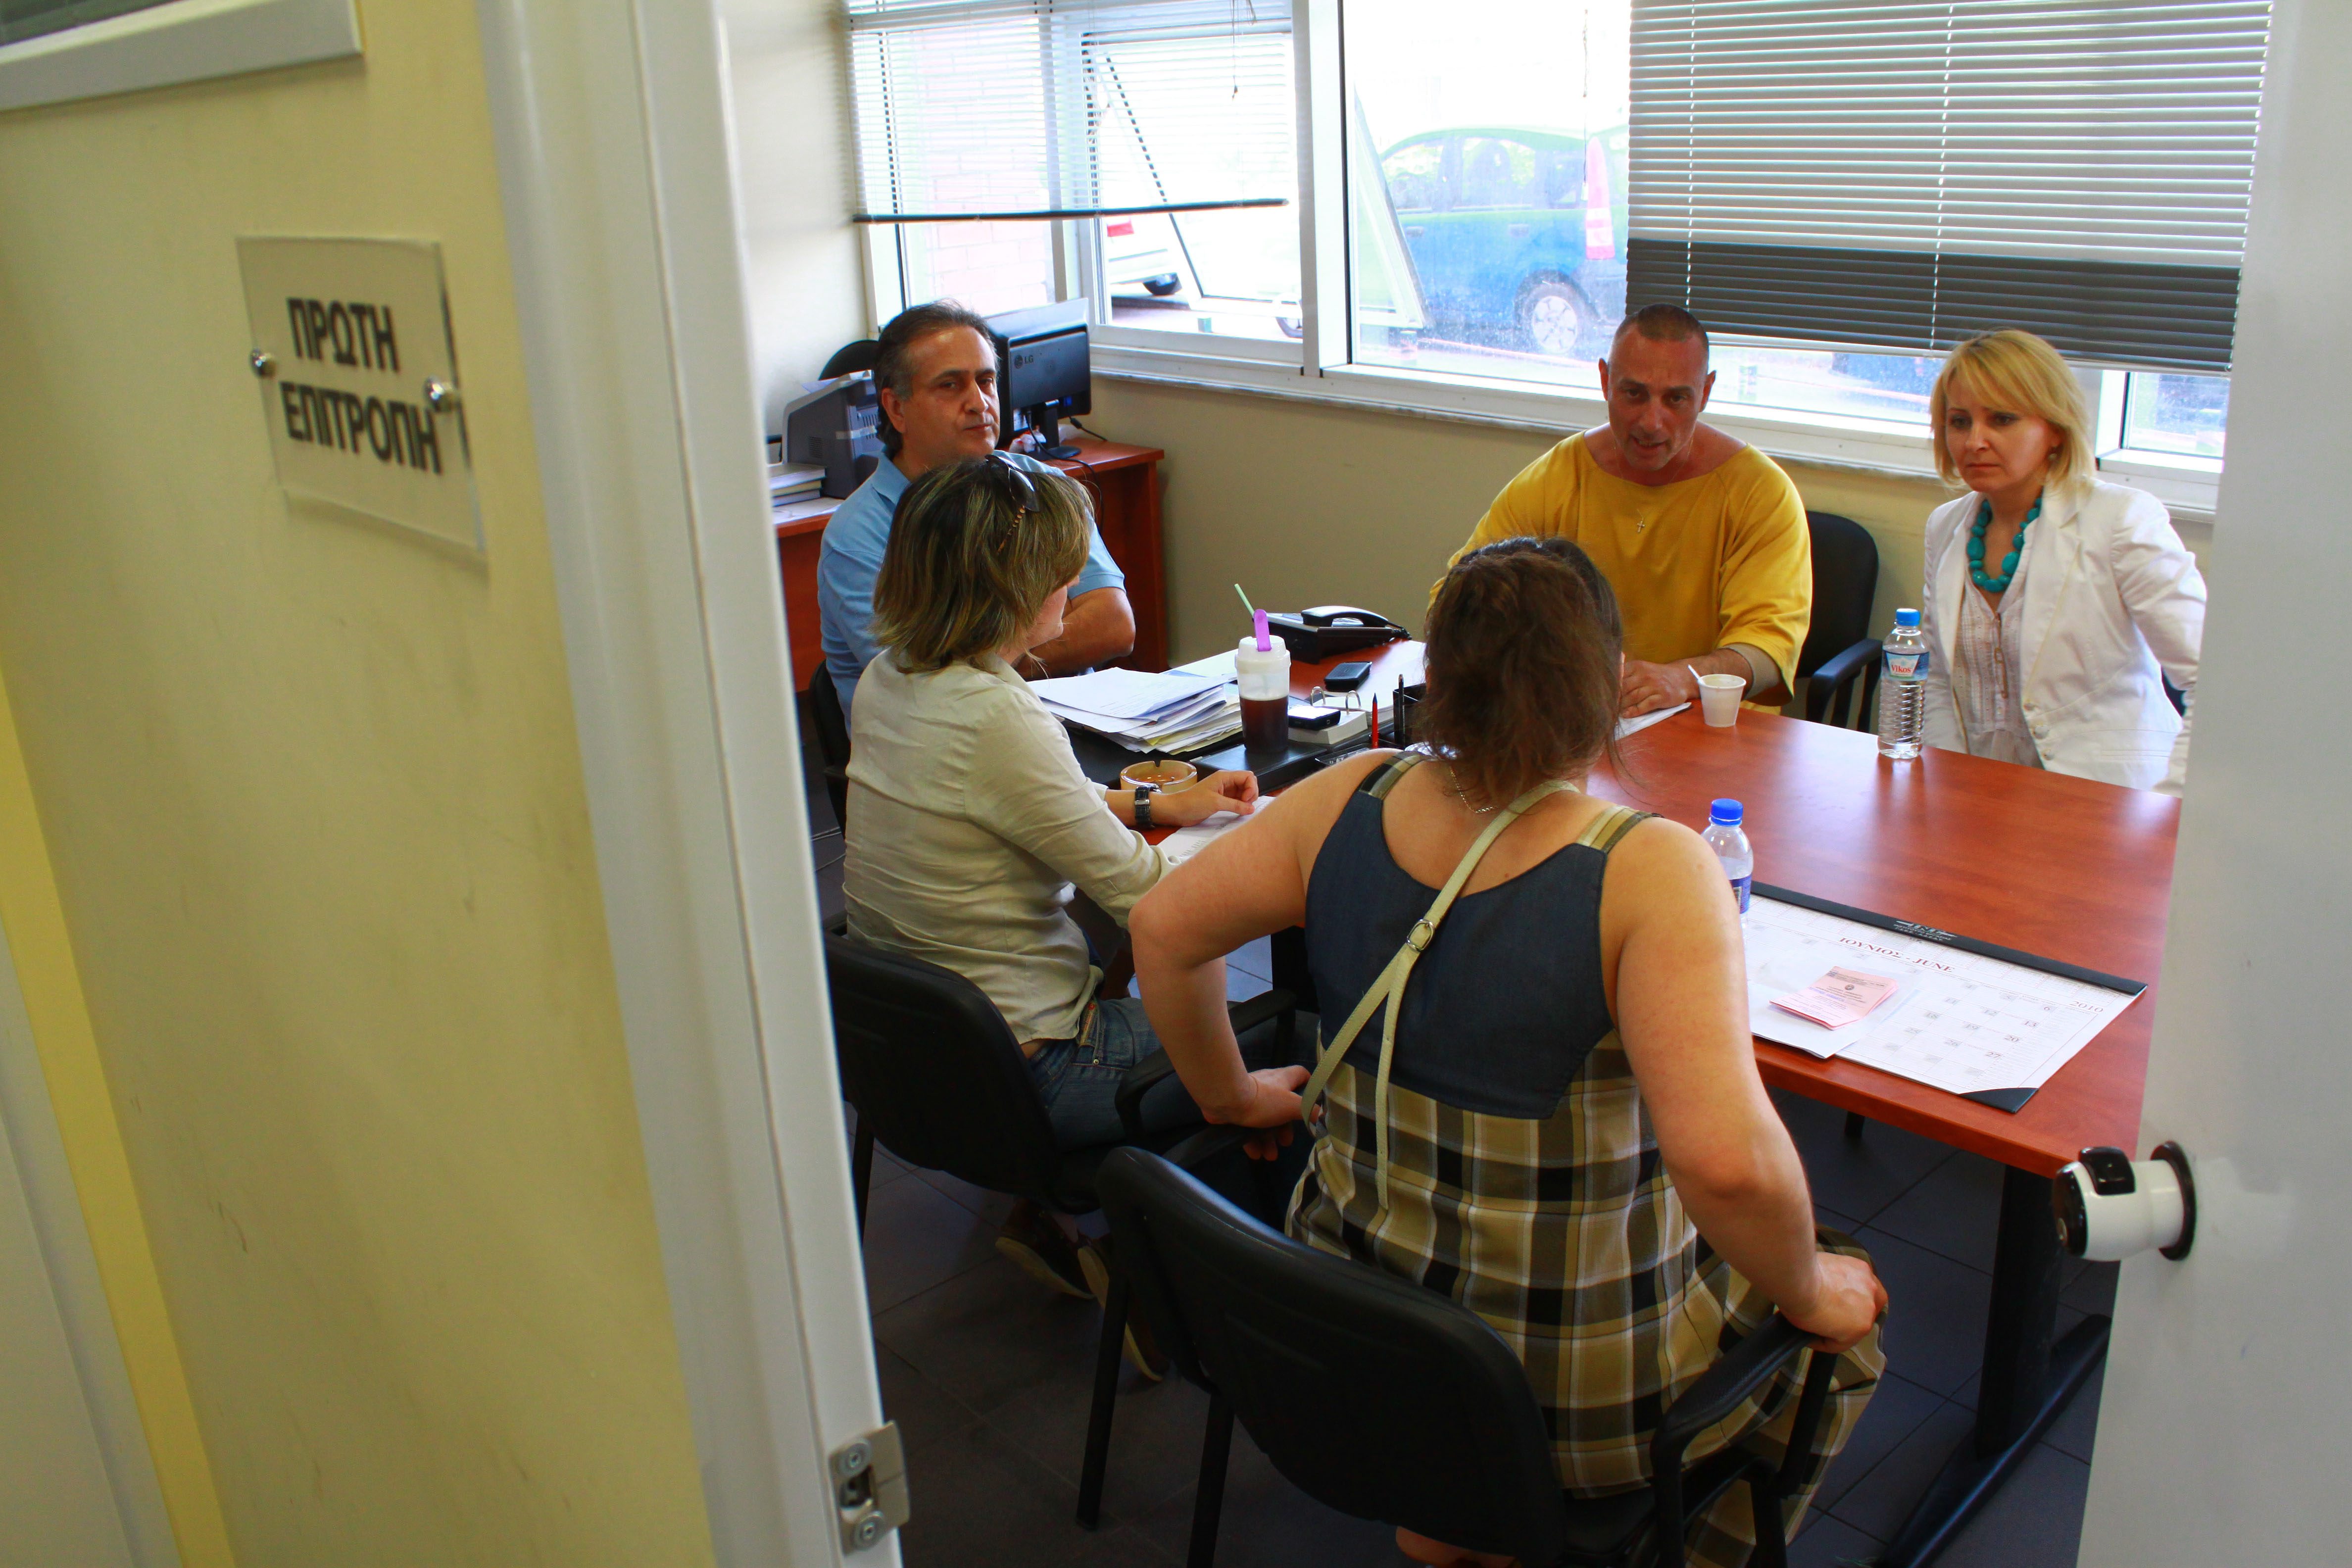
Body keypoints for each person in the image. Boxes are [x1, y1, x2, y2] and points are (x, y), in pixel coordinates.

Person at [1133, 539, 1885, 1567]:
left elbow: (1163, 931)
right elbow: (1726, 1167)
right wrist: (1809, 1292)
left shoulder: (1348, 795)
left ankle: (1454, 1519)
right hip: (1568, 1412)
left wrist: (1229, 1096)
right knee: (1843, 1317)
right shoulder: (1650, 869)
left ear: (1436, 679)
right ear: (1606, 688)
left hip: (1344, 1348)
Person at [843, 452, 1288, 1315]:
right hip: (1034, 1068)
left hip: (918, 1061)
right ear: (1017, 585)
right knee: (1295, 1036)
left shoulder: (891, 680)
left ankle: (1115, 1246)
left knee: (1140, 960)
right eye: (1062, 569)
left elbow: (1023, 800)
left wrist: (1155, 801)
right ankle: (1171, 1291)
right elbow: (1158, 905)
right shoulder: (997, 715)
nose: (1072, 586)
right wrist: (1281, 845)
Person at [1436, 305, 1813, 716]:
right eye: (1634, 394)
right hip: (1581, 721)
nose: (1652, 422)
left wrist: (1683, 678)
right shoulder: (1558, 477)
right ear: (1605, 381)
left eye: (1676, 399)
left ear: (1705, 393)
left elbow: (1769, 651)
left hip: (1712, 726)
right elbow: (1460, 597)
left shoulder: (1760, 492)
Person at [817, 300, 1134, 719]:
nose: (979, 403)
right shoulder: (858, 535)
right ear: (896, 408)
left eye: (986, 381)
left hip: (1071, 728)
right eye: (950, 385)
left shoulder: (1042, 484)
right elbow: (928, 684)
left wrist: (979, 654)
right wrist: (1051, 622)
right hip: (943, 749)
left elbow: (1113, 626)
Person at [1920, 330, 2205, 794]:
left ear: (2055, 428)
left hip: (2111, 799)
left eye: (2002, 419)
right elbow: (1937, 680)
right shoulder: (1945, 525)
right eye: (1959, 422)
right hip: (1980, 793)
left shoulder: (2121, 519)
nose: (1975, 441)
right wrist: (1945, 784)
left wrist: (2170, 808)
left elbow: (2210, 682)